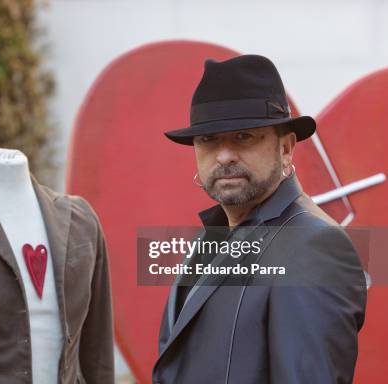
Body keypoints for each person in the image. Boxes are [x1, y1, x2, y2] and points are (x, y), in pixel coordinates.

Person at [152, 55, 367, 384]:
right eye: (208, 139)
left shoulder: (312, 247)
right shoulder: (211, 236)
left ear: (286, 148)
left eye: (243, 137)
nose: (223, 155)